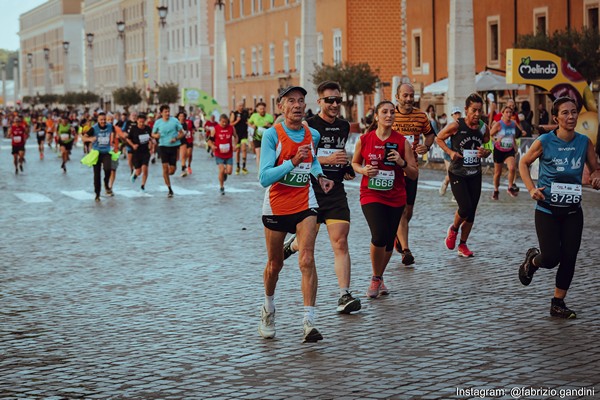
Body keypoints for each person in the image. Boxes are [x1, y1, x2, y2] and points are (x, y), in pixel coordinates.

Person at [257, 85, 334, 343]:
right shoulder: (271, 135)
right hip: (277, 205)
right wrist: (292, 162)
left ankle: (309, 322)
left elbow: (311, 161)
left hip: (305, 202)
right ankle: (268, 308)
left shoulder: (312, 133)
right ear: (281, 106)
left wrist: (319, 177)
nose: (298, 105)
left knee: (307, 259)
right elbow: (264, 177)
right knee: (274, 265)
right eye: (291, 101)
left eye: (301, 100)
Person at [518, 96, 600, 319]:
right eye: (565, 113)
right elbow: (523, 163)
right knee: (551, 257)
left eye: (574, 112)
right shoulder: (545, 141)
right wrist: (531, 188)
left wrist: (596, 177)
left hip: (573, 210)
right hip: (547, 209)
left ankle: (558, 303)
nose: (571, 116)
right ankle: (533, 260)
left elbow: (595, 169)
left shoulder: (584, 142)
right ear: (555, 117)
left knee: (570, 256)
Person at [283, 81, 361, 314]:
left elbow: (340, 156)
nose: (335, 104)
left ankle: (344, 295)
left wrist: (346, 168)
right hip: (311, 192)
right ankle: (292, 244)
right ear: (319, 102)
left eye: (338, 100)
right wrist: (326, 161)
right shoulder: (308, 127)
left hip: (335, 192)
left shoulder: (344, 126)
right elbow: (303, 157)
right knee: (307, 245)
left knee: (341, 241)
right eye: (330, 100)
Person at [351, 100, 418, 298]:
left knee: (389, 240)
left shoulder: (401, 142)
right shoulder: (364, 139)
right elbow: (354, 163)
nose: (389, 115)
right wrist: (364, 170)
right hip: (371, 194)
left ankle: (379, 277)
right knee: (379, 235)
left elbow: (413, 174)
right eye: (384, 112)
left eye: (391, 112)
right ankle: (375, 277)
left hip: (396, 196)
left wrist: (401, 162)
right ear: (377, 116)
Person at [436, 93, 492, 258]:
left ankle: (463, 245)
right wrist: (450, 152)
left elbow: (489, 144)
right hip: (457, 172)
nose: (476, 114)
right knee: (465, 207)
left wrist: (486, 151)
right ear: (466, 110)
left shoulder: (483, 127)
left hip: (475, 172)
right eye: (473, 110)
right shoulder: (456, 126)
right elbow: (439, 139)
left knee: (472, 212)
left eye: (479, 111)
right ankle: (453, 229)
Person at [392, 83, 435, 266]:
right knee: (401, 211)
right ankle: (406, 250)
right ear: (397, 96)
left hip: (412, 170)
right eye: (405, 95)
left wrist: (427, 145)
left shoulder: (421, 116)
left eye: (411, 95)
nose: (409, 99)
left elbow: (430, 135)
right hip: (393, 171)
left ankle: (398, 236)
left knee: (408, 211)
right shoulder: (389, 115)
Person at [489, 106, 524, 199]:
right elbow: (489, 135)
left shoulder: (513, 124)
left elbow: (512, 136)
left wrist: (515, 146)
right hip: (499, 150)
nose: (509, 114)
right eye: (507, 112)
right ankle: (496, 190)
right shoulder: (498, 124)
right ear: (503, 113)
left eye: (510, 112)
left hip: (509, 150)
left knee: (512, 168)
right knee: (498, 173)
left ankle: (509, 187)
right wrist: (496, 139)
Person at [151, 105, 185, 198]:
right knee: (165, 168)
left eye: (168, 111)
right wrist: (156, 136)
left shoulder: (174, 121)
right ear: (161, 113)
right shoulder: (158, 122)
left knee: (172, 171)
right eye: (165, 112)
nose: (167, 113)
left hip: (174, 147)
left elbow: (182, 133)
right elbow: (152, 133)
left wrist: (176, 138)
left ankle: (166, 174)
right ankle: (169, 189)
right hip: (163, 147)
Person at [82, 112, 115, 202]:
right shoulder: (94, 128)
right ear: (98, 120)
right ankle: (97, 194)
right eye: (101, 120)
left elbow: (115, 134)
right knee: (97, 175)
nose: (103, 121)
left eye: (104, 119)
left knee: (108, 169)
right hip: (96, 153)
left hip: (106, 152)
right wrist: (90, 139)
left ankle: (106, 183)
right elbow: (83, 138)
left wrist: (115, 143)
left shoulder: (110, 126)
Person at [209, 114, 238, 194]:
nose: (224, 124)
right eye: (223, 122)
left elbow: (236, 136)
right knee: (221, 170)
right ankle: (221, 186)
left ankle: (225, 173)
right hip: (219, 153)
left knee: (229, 172)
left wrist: (235, 145)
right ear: (220, 121)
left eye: (226, 122)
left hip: (229, 154)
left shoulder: (231, 128)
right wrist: (212, 146)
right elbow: (209, 140)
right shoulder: (215, 129)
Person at [126, 113, 152, 191]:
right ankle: (135, 175)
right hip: (136, 152)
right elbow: (128, 139)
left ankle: (143, 186)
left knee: (145, 169)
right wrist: (133, 145)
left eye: (143, 122)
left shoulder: (148, 128)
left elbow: (151, 138)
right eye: (140, 122)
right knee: (139, 171)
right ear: (137, 121)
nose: (141, 123)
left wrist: (151, 144)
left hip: (145, 151)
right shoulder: (133, 129)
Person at [439, 107, 462, 196]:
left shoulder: (462, 125)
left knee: (458, 174)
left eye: (458, 113)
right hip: (449, 152)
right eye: (455, 114)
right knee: (451, 174)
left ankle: (455, 195)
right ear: (452, 115)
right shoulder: (449, 125)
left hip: (458, 151)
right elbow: (439, 137)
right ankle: (445, 183)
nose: (457, 115)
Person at [248, 102, 274, 168]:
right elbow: (248, 122)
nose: (262, 110)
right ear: (257, 109)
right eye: (260, 109)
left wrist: (269, 125)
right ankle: (260, 171)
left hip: (267, 138)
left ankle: (266, 168)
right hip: (257, 137)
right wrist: (252, 126)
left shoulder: (269, 117)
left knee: (266, 154)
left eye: (263, 108)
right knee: (258, 154)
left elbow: (274, 126)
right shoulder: (254, 116)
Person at [231, 102, 250, 175]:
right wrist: (237, 121)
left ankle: (244, 166)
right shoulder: (234, 113)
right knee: (238, 151)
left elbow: (247, 121)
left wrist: (251, 125)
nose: (241, 107)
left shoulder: (245, 113)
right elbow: (231, 123)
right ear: (237, 106)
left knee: (244, 148)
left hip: (244, 133)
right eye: (239, 106)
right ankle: (238, 166)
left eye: (242, 106)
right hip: (237, 135)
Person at [177, 111, 194, 176]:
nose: (182, 117)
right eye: (180, 116)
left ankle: (184, 168)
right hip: (176, 141)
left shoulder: (186, 124)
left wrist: (193, 131)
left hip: (185, 140)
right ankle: (183, 166)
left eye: (183, 116)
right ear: (178, 117)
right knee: (178, 158)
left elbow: (190, 130)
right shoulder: (175, 123)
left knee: (186, 154)